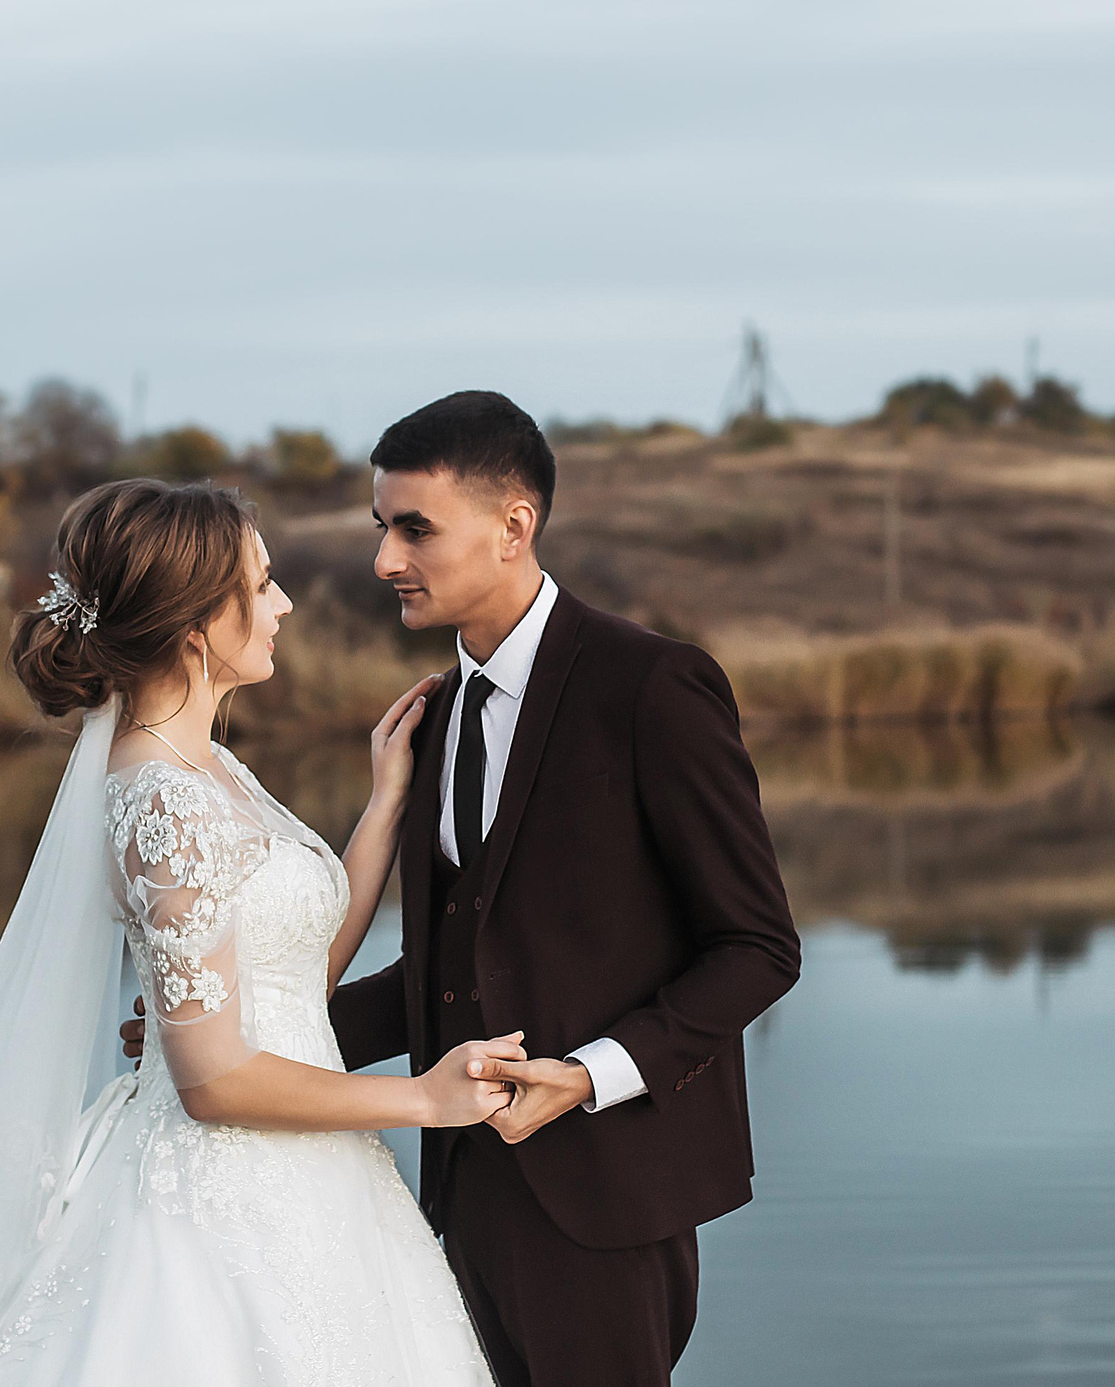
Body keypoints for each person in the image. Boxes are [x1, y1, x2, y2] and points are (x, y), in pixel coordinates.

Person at [131, 391, 805, 1385]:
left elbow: (756, 948)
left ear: (511, 528)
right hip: (455, 1188)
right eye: (379, 528)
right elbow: (451, 970)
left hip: (605, 1190)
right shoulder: (430, 722)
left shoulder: (650, 688)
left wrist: (586, 1077)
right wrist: (225, 1029)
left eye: (414, 529)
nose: (383, 561)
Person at [0, 477, 518, 1386]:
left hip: (312, 1176)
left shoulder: (204, 764)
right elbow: (213, 1080)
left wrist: (383, 807)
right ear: (195, 625)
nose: (283, 602)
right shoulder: (161, 797)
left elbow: (293, 977)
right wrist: (426, 1099)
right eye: (260, 584)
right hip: (220, 1197)